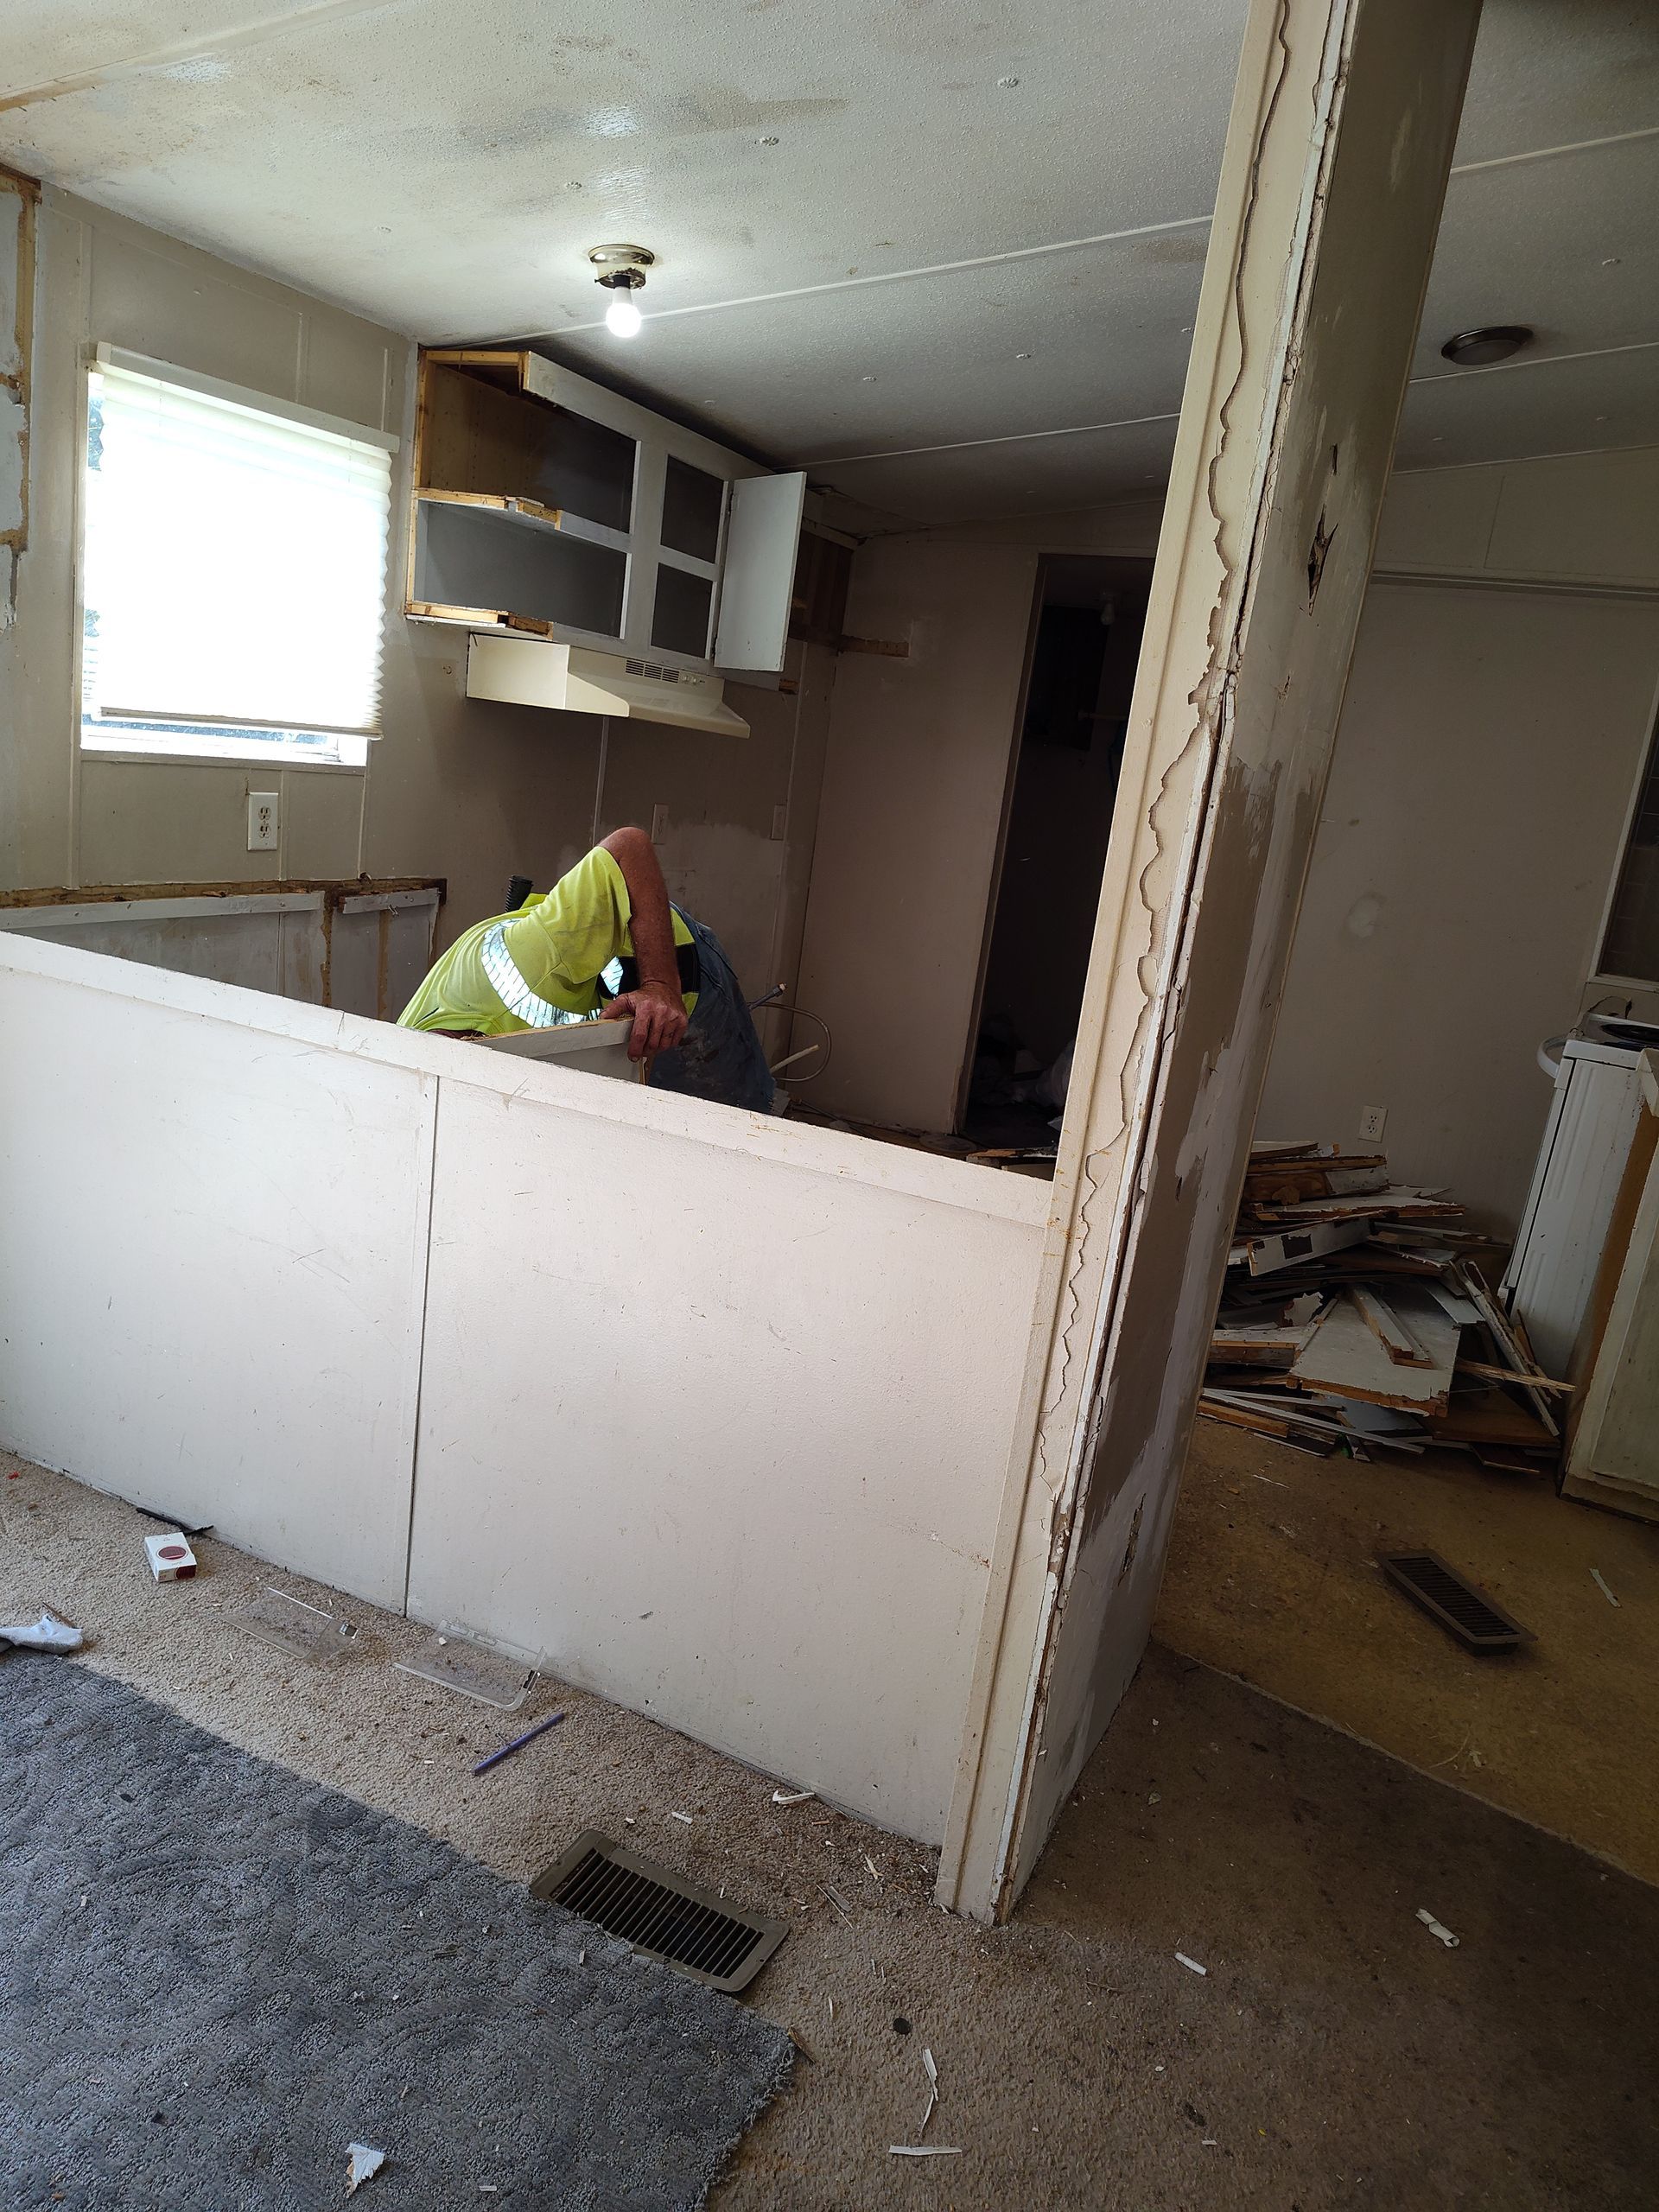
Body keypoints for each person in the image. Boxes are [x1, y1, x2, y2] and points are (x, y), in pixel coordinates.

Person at [397, 826, 776, 1113]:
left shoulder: (529, 960)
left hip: (678, 967)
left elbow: (630, 847)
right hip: (613, 1002)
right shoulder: (405, 1051)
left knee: (735, 1122)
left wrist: (660, 985)